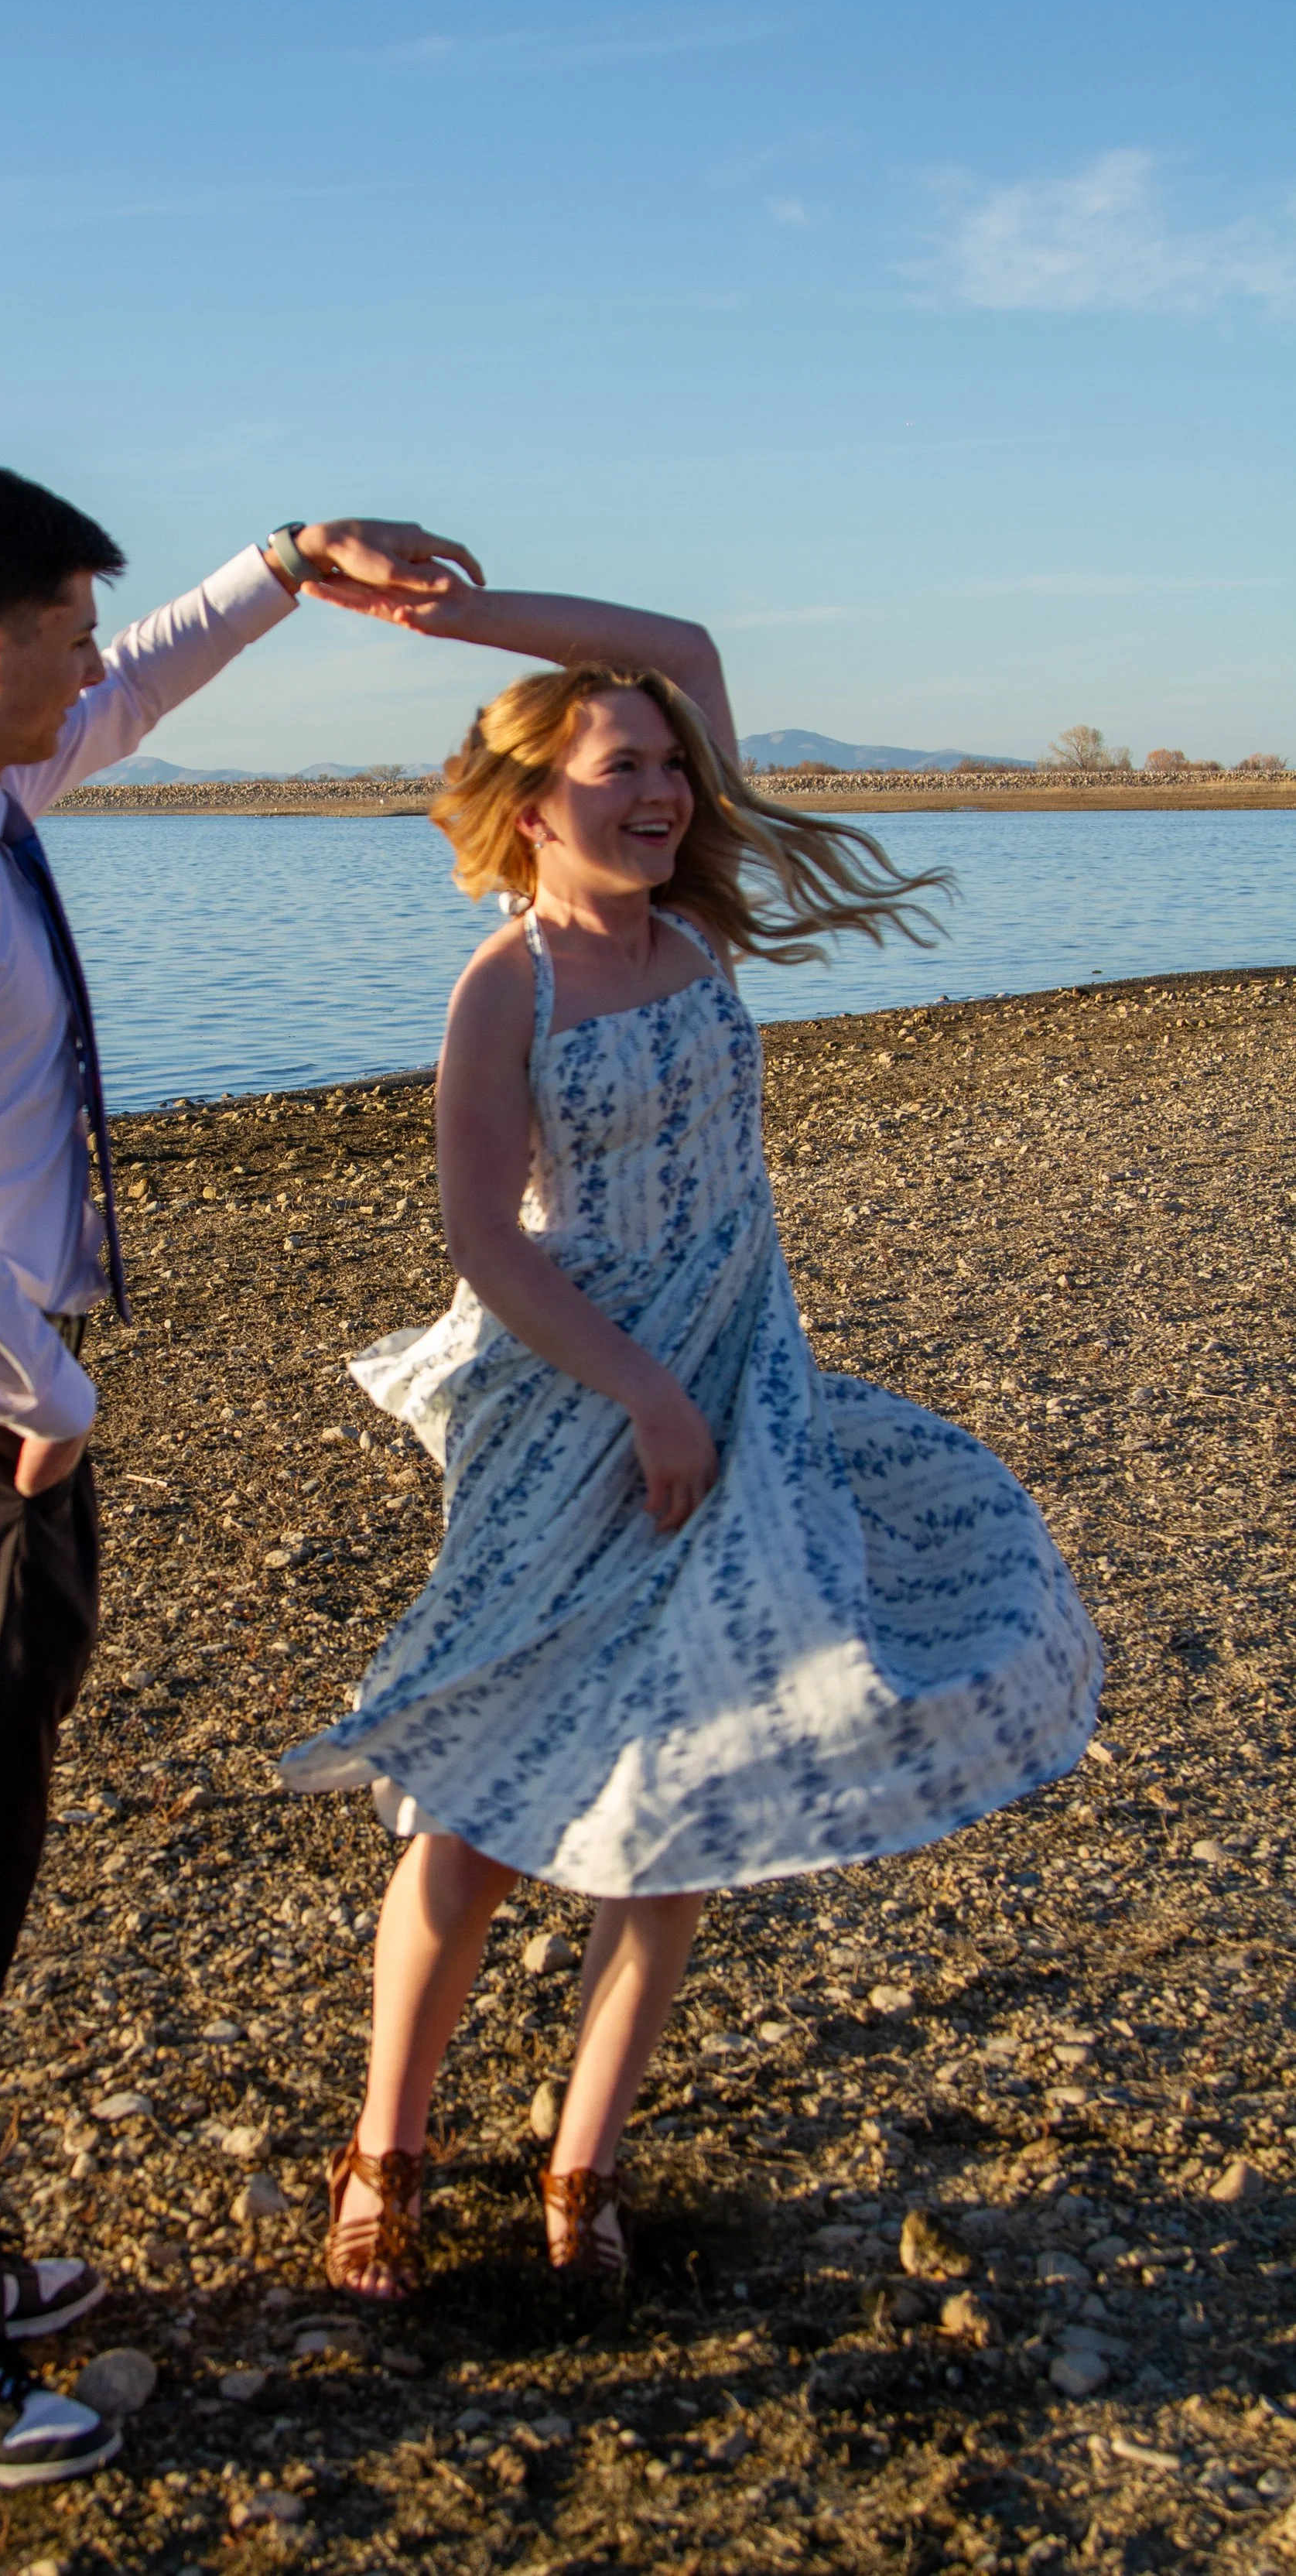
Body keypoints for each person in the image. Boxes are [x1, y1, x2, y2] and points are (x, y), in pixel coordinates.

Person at [0, 463, 480, 2478]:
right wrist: (47, 1391)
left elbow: (140, 691)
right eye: (68, 640)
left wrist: (276, 570)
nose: (94, 674)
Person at [279, 588, 1103, 2292]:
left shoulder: (694, 931)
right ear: (530, 806)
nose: (659, 790)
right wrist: (643, 1398)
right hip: (572, 1404)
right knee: (490, 1796)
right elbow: (484, 1246)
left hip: (746, 1391)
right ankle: (389, 2149)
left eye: (666, 764)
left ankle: (582, 2170)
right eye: (617, 768)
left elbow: (688, 642)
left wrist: (457, 609)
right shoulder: (501, 986)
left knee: (702, 1770)